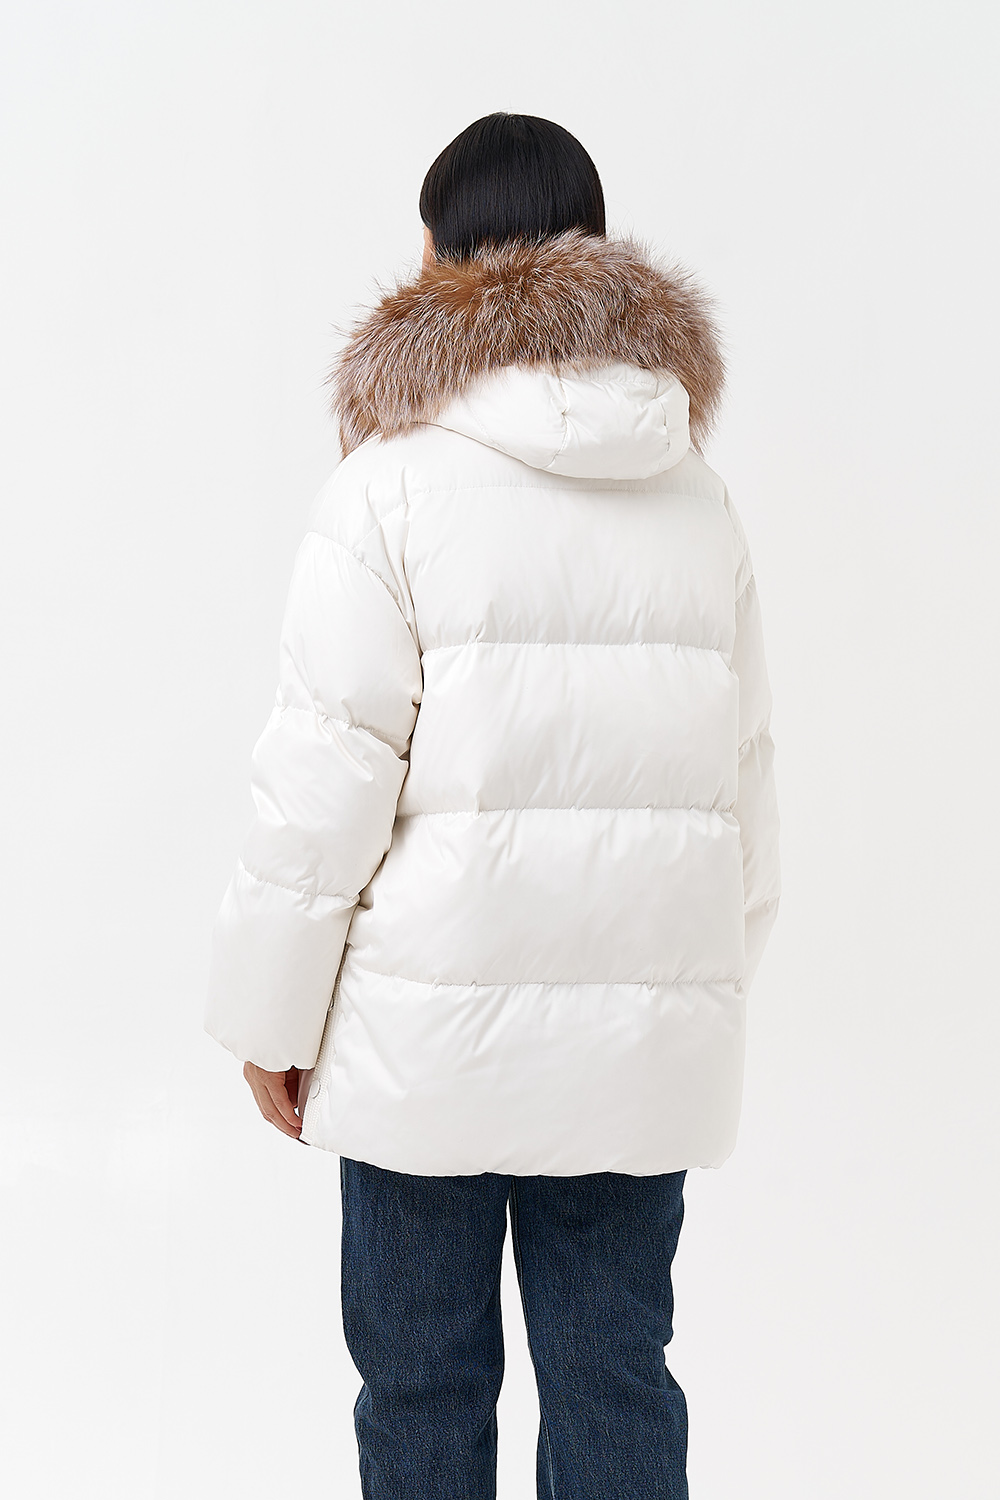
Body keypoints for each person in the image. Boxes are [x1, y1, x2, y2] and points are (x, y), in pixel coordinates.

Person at [205, 111, 780, 1500]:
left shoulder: (385, 491)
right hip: (636, 1052)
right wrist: (681, 1002)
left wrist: (272, 1021)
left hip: (423, 1051)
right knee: (615, 1379)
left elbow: (324, 783)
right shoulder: (697, 498)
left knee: (420, 1387)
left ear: (441, 261)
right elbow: (744, 791)